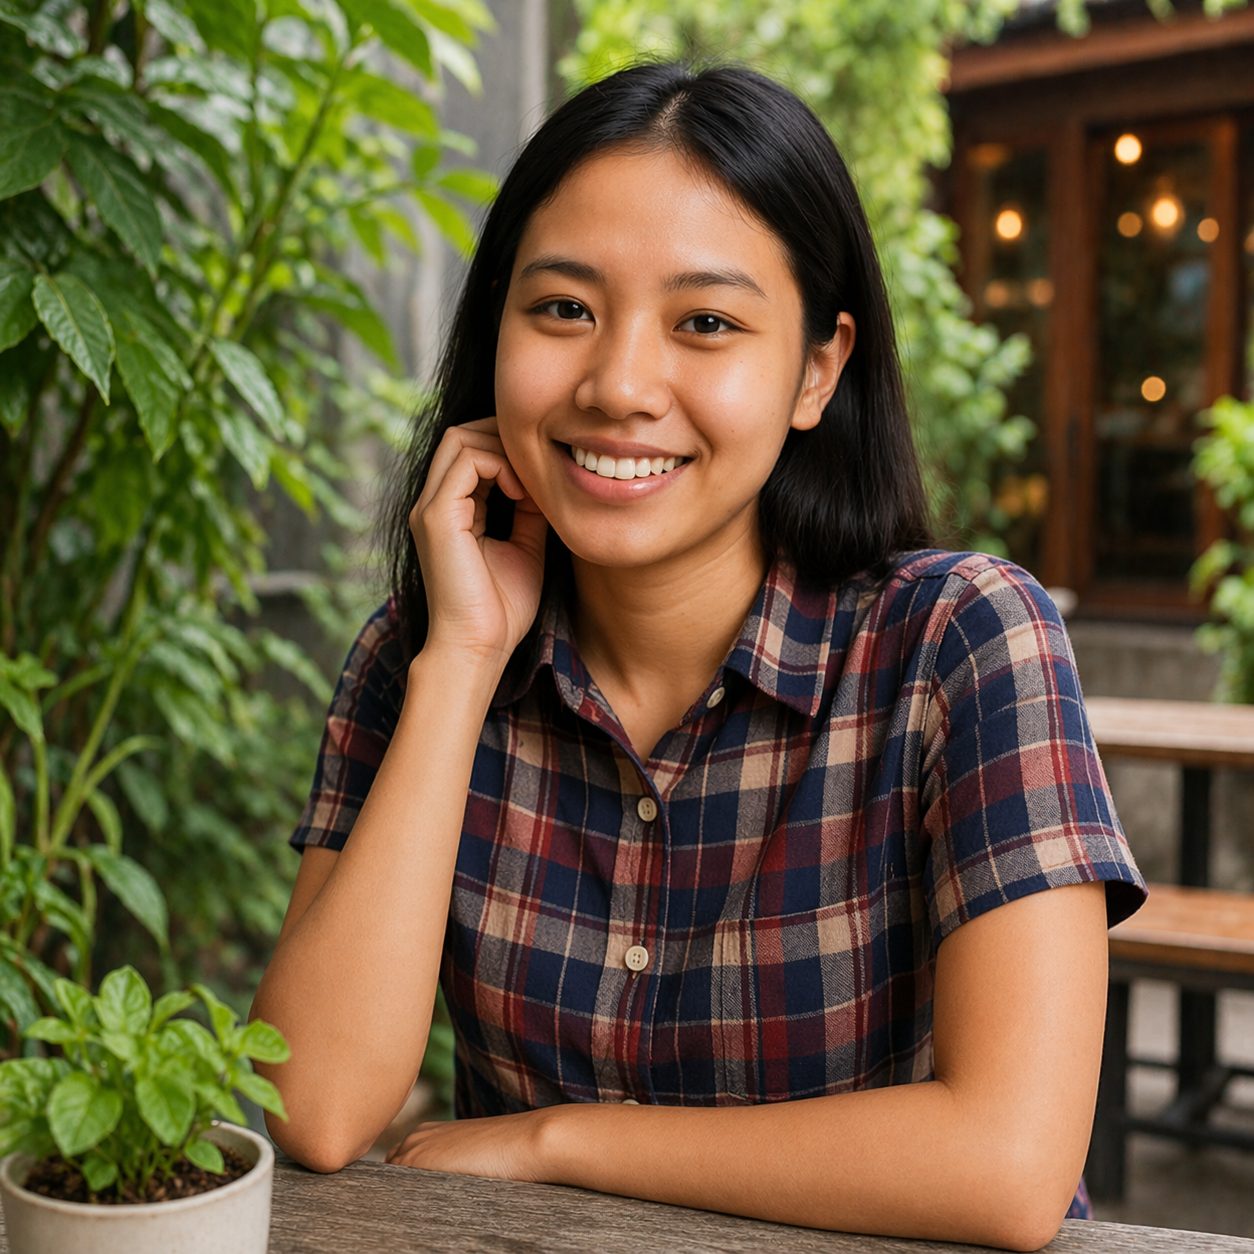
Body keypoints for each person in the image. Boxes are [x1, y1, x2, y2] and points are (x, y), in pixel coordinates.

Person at [248, 60, 1148, 1250]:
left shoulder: (962, 644)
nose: (619, 385)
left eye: (706, 324)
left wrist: (556, 1138)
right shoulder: (423, 660)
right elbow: (308, 1106)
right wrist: (462, 660)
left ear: (817, 369)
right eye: (562, 307)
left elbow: (1008, 1163)